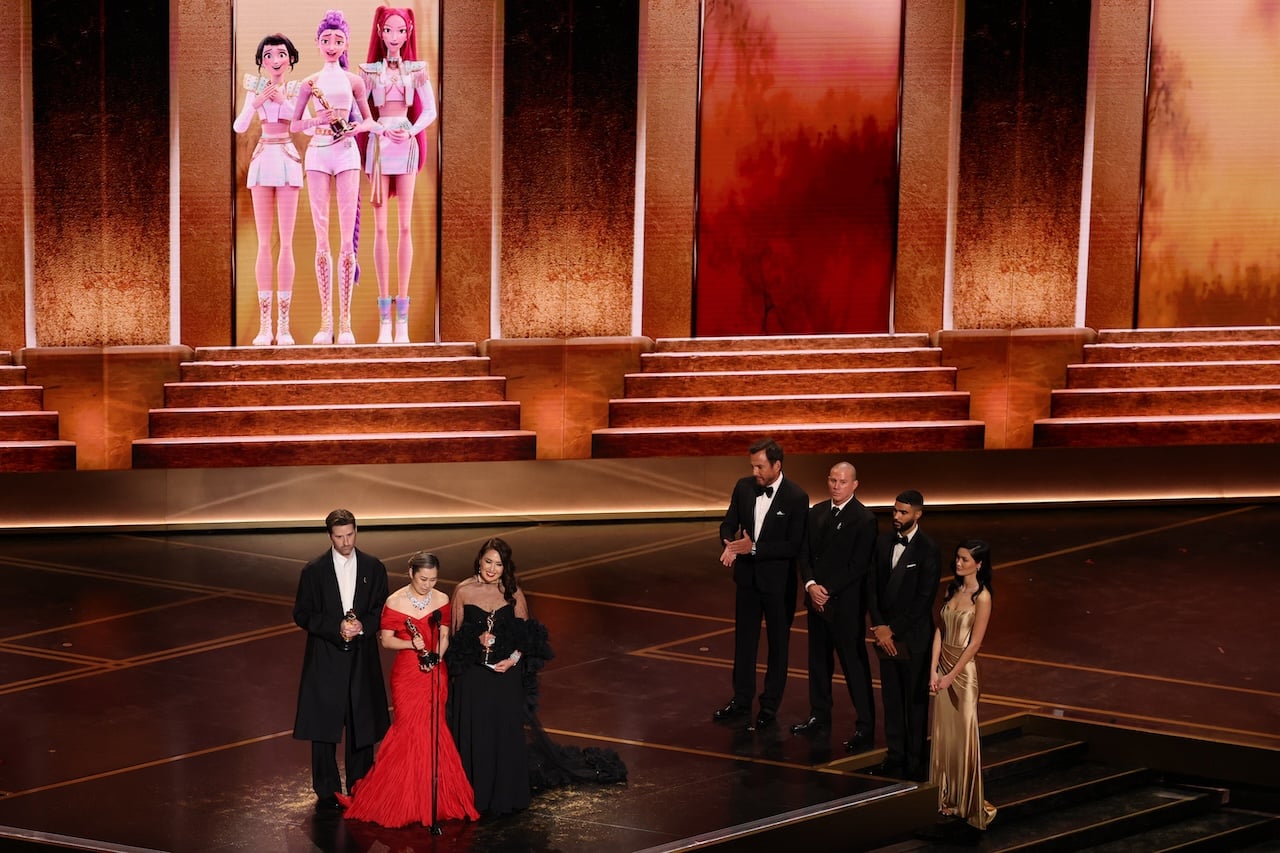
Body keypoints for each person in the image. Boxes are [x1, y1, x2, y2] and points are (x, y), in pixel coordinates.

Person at [339, 552, 479, 826]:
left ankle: (433, 797)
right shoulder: (395, 601)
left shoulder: (442, 599)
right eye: (423, 579)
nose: (428, 584)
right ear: (411, 574)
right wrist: (411, 646)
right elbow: (387, 641)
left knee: (433, 729)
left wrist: (436, 657)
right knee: (408, 729)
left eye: (433, 579)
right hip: (407, 673)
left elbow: (445, 635)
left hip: (435, 671)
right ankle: (403, 797)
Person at [291, 9, 382, 345]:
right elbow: (294, 125)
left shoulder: (354, 81)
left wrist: (354, 128)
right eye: (326, 40)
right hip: (317, 153)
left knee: (346, 240)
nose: (332, 45)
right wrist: (320, 120)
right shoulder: (308, 83)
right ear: (318, 43)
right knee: (321, 240)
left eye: (338, 40)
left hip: (346, 154)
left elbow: (370, 121)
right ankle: (324, 320)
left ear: (346, 44)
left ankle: (345, 322)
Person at [292, 509, 390, 812]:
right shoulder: (314, 571)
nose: (346, 541)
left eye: (350, 534)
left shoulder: (374, 568)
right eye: (339, 536)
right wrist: (337, 627)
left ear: (356, 531)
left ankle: (361, 784)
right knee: (324, 724)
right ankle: (327, 791)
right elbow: (303, 614)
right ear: (329, 536)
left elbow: (380, 610)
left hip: (362, 657)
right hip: (326, 657)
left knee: (361, 721)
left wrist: (362, 626)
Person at [712, 438, 809, 730]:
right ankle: (741, 700)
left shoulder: (796, 497)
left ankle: (769, 705)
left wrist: (752, 549)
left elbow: (793, 545)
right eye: (753, 465)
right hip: (748, 581)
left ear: (777, 465)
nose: (755, 471)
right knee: (745, 642)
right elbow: (728, 523)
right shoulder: (743, 487)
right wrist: (730, 543)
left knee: (778, 646)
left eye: (760, 466)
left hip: (778, 585)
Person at [359, 6, 437, 343]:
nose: (394, 37)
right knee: (380, 228)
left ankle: (402, 319)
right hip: (378, 147)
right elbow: (359, 112)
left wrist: (411, 130)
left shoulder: (417, 70)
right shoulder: (368, 71)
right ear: (380, 33)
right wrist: (376, 127)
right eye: (389, 31)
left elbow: (430, 110)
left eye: (400, 31)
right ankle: (383, 319)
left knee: (405, 226)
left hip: (405, 143)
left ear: (408, 34)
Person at [790, 462, 878, 754]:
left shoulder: (864, 519)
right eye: (832, 480)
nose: (836, 486)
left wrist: (828, 590)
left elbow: (858, 565)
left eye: (842, 482)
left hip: (845, 606)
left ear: (854, 485)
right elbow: (804, 553)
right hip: (817, 602)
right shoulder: (816, 513)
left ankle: (865, 726)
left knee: (854, 666)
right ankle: (819, 714)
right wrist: (811, 584)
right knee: (818, 662)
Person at [446, 537, 532, 816]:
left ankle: (504, 794)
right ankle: (473, 795)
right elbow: (455, 637)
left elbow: (525, 639)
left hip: (505, 675)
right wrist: (476, 640)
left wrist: (512, 661)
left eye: (499, 564)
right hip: (474, 677)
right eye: (488, 562)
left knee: (502, 734)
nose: (492, 569)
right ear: (479, 560)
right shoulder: (463, 591)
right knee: (477, 735)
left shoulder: (513, 592)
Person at [234, 33, 306, 347]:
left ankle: (284, 325)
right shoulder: (255, 89)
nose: (275, 61)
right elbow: (238, 126)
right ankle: (265, 325)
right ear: (262, 62)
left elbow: (304, 122)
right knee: (265, 243)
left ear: (290, 59)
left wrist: (283, 103)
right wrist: (258, 103)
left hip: (288, 158)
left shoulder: (296, 88)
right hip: (263, 159)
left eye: (280, 55)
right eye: (268, 56)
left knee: (286, 243)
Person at [867, 489, 941, 780]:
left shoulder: (928, 550)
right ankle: (895, 754)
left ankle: (915, 760)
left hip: (914, 638)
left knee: (915, 702)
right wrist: (880, 626)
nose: (896, 517)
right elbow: (872, 587)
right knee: (892, 700)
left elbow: (924, 600)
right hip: (885, 636)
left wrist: (892, 629)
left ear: (918, 514)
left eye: (903, 513)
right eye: (894, 511)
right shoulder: (882, 542)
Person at [929, 539, 997, 831]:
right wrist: (933, 670)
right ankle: (944, 796)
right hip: (942, 669)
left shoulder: (983, 597)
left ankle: (966, 802)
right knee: (944, 736)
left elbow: (975, 644)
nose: (958, 564)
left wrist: (950, 676)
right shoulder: (951, 589)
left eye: (965, 560)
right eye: (957, 558)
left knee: (964, 737)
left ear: (979, 564)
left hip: (963, 675)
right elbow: (940, 631)